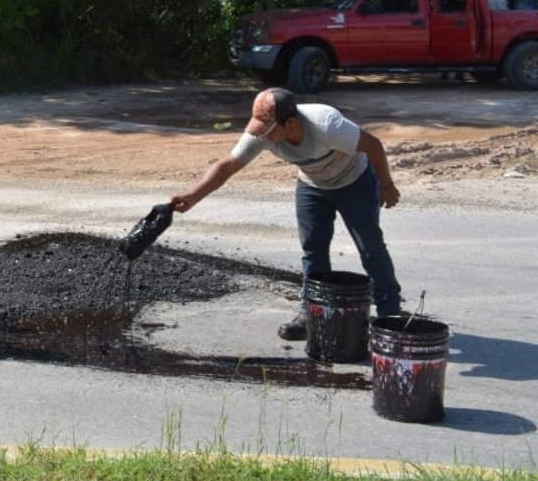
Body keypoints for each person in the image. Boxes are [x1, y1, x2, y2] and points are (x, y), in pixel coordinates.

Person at [169, 87, 404, 341]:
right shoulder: (263, 132)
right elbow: (228, 165)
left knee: (370, 247)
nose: (263, 137)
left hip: (354, 182)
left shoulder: (325, 124)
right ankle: (311, 313)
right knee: (313, 249)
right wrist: (192, 196)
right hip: (313, 186)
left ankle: (389, 315)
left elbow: (374, 145)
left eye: (268, 131)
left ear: (291, 122)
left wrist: (386, 186)